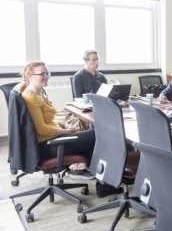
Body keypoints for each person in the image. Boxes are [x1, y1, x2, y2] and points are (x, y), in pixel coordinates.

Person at [20, 61, 122, 198]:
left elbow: (48, 121)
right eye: (41, 74)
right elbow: (42, 129)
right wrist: (67, 131)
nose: (46, 76)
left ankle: (104, 183)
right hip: (47, 144)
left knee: (92, 144)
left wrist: (63, 125)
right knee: (99, 134)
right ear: (30, 76)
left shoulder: (40, 93)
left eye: (47, 73)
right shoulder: (30, 97)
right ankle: (105, 183)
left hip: (53, 138)